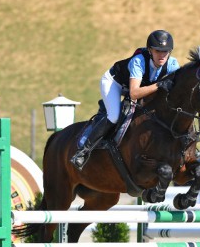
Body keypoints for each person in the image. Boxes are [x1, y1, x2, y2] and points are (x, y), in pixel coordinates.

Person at [70, 30, 181, 170]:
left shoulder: (172, 65)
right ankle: (83, 151)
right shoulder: (139, 61)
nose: (162, 55)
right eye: (158, 51)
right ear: (150, 50)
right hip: (115, 83)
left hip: (140, 87)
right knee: (114, 116)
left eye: (165, 51)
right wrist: (158, 85)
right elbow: (134, 93)